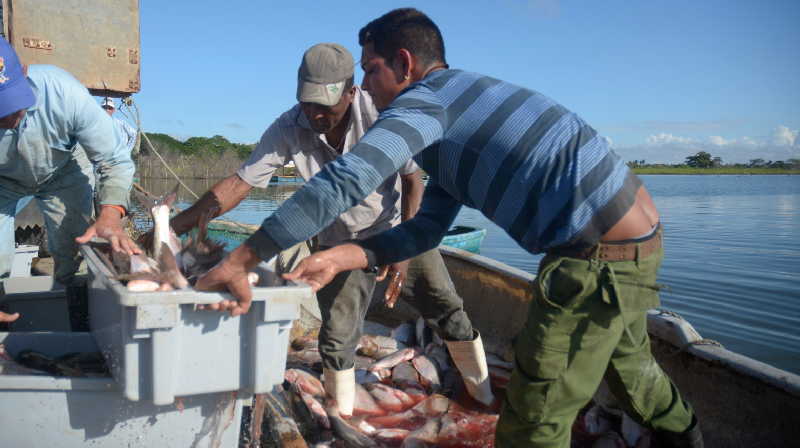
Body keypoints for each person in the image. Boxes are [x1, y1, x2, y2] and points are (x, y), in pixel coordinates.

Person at [197, 9, 703, 447]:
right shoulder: (456, 116)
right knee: (631, 372)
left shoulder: (425, 103)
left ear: (403, 63)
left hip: (595, 261)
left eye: (371, 69)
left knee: (533, 417)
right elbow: (426, 229)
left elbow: (347, 180)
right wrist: (343, 256)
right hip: (636, 248)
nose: (367, 85)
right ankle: (688, 438)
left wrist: (241, 259)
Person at [170, 43, 491, 414]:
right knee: (337, 340)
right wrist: (173, 224)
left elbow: (414, 181)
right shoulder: (290, 125)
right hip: (337, 244)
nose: (314, 114)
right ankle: (345, 424)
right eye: (307, 103)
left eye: (324, 105)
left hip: (397, 228)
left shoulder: (382, 112)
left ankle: (482, 396)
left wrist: (404, 246)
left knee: (448, 310)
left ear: (352, 91)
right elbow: (239, 184)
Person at [0, 37, 139, 325]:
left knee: (73, 250)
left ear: (24, 71)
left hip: (64, 172)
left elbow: (114, 159)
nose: (8, 117)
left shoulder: (63, 91)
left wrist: (111, 213)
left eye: (13, 102)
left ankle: (78, 317)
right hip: (3, 180)